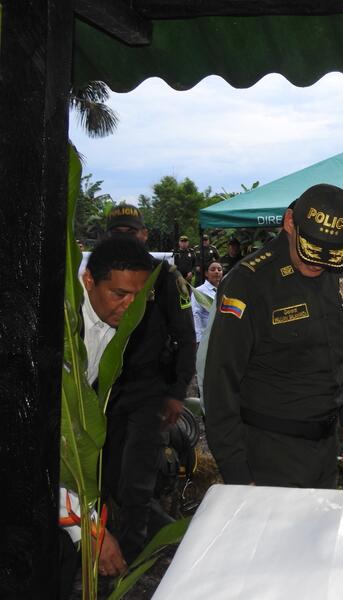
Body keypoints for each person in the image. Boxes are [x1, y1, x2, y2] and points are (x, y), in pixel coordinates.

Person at [204, 184, 343, 488]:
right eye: (312, 251)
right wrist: (237, 472)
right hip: (269, 453)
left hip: (325, 447)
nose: (319, 263)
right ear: (290, 222)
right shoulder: (248, 282)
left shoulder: (339, 269)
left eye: (330, 255)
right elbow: (219, 383)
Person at [59, 235, 154, 596]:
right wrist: (88, 530)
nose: (131, 307)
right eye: (119, 294)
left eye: (139, 297)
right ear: (87, 281)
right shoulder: (62, 329)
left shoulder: (113, 327)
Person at [101, 204, 197, 563]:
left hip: (151, 392)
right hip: (109, 392)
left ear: (143, 235)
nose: (124, 240)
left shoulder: (164, 276)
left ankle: (135, 557)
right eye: (116, 233)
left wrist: (176, 393)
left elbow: (187, 338)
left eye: (130, 233)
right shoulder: (95, 276)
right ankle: (147, 537)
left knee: (136, 481)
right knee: (108, 476)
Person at [191, 261, 223, 343]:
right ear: (206, 273)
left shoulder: (225, 290)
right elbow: (196, 314)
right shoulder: (199, 291)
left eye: (219, 270)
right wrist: (198, 339)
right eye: (213, 269)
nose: (217, 272)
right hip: (206, 337)